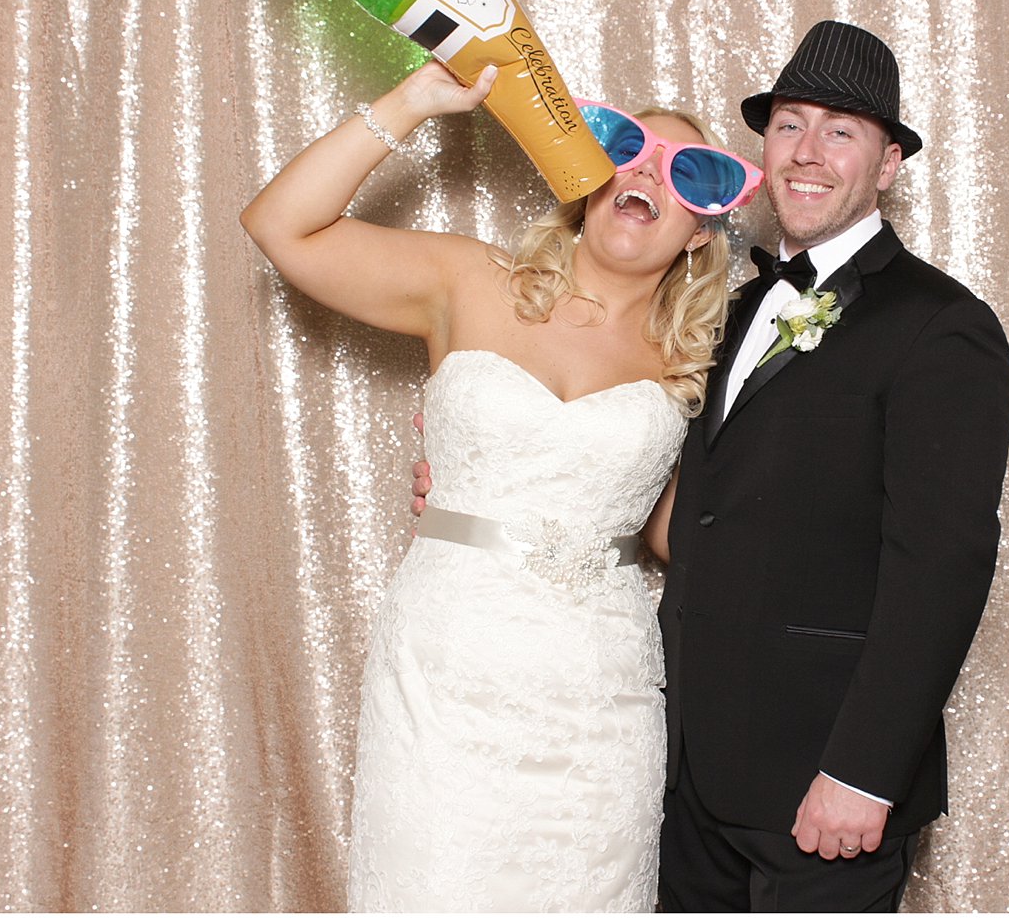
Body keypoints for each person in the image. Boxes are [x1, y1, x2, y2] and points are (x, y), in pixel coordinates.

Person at [241, 59, 761, 911]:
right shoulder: (469, 282)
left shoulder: (696, 357)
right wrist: (412, 100)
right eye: (625, 148)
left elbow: (678, 530)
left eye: (685, 171)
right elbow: (280, 227)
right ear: (586, 178)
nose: (644, 174)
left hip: (601, 703)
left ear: (702, 232)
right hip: (447, 677)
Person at [654, 20, 1009, 911]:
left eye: (840, 131)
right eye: (788, 125)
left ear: (887, 163)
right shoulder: (726, 312)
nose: (807, 153)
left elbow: (942, 569)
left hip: (821, 782)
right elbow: (692, 504)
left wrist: (863, 771)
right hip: (684, 771)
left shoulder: (942, 328)